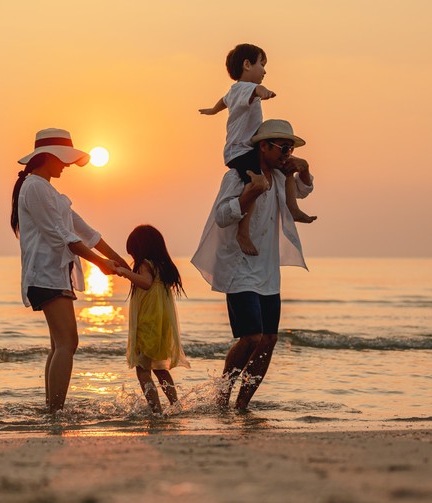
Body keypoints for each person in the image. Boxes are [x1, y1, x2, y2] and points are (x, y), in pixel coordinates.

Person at [191, 119, 314, 411]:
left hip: (268, 272)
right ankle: (222, 396)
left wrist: (305, 167)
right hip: (239, 268)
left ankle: (242, 405)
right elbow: (222, 216)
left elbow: (303, 190)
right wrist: (250, 192)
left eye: (291, 148)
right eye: (283, 147)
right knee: (251, 337)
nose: (287, 153)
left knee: (269, 339)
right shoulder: (238, 177)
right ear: (264, 146)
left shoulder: (280, 177)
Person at [11, 128, 129, 413]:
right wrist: (100, 264)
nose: (66, 165)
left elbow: (84, 230)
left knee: (59, 345)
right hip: (45, 274)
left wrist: (119, 260)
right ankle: (55, 411)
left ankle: (52, 409)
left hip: (56, 274)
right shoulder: (35, 187)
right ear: (48, 157)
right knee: (67, 343)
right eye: (63, 159)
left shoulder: (50, 191)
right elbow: (61, 235)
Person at [199, 43, 316, 256]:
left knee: (288, 168)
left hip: (246, 149)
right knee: (256, 184)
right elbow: (256, 90)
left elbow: (222, 102)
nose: (264, 70)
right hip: (240, 151)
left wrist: (213, 110)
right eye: (261, 64)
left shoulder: (234, 93)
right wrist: (265, 92)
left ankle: (293, 208)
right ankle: (243, 232)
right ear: (246, 65)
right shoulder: (244, 89)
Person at [114, 225, 190, 413]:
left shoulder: (145, 265)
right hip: (162, 324)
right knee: (160, 369)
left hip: (148, 324)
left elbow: (146, 283)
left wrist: (125, 273)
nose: (133, 259)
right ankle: (175, 405)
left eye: (133, 253)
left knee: (143, 369)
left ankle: (155, 410)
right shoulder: (163, 267)